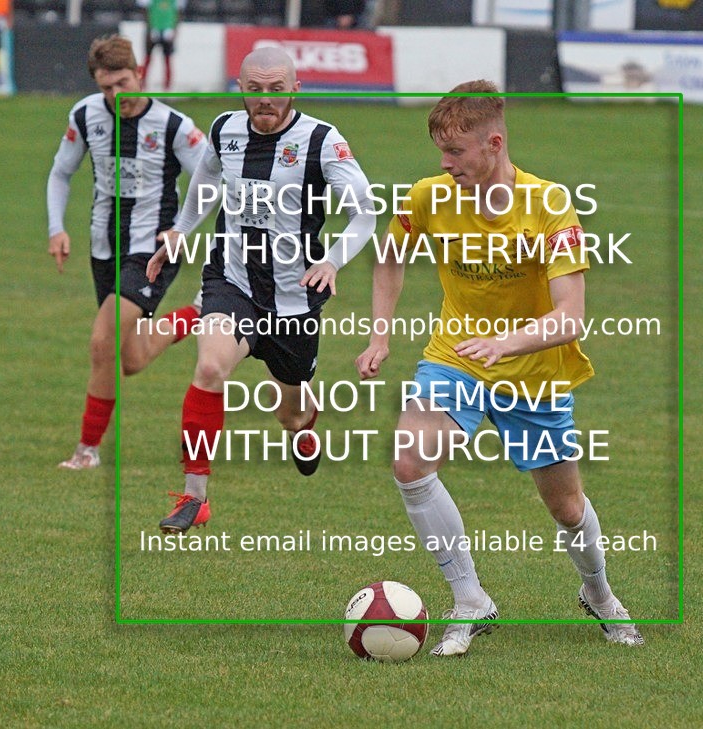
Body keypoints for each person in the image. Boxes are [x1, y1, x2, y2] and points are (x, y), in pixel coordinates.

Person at [355, 80, 643, 656]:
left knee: (565, 507)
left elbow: (571, 317)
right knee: (410, 460)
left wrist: (507, 345)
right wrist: (379, 334)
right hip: (455, 358)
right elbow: (389, 260)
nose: (445, 163)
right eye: (440, 151)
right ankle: (469, 599)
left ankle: (599, 593)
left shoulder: (550, 205)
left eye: (456, 152)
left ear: (493, 142)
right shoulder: (427, 198)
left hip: (534, 372)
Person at [146, 46, 376, 534]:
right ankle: (195, 496)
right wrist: (180, 231)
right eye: (255, 91)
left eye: (276, 90)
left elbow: (366, 210)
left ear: (295, 89)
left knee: (288, 414)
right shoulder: (224, 130)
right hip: (231, 281)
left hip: (295, 296)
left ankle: (304, 426)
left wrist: (333, 259)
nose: (265, 100)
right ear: (242, 90)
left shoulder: (321, 140)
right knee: (209, 367)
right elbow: (205, 181)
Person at [48, 35, 205, 470]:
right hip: (104, 246)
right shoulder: (85, 115)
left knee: (102, 343)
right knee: (129, 359)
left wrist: (181, 230)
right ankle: (195, 313)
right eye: (105, 88)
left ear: (139, 73)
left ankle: (87, 451)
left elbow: (213, 180)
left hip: (153, 249)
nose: (115, 96)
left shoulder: (173, 125)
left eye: (122, 83)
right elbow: (61, 173)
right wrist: (56, 228)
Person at [138, 0, 185, 91]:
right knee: (147, 59)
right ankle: (142, 85)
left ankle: (167, 88)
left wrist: (174, 29)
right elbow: (145, 10)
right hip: (153, 30)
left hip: (168, 31)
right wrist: (150, 28)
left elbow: (178, 12)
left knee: (167, 60)